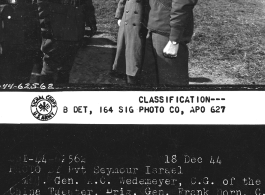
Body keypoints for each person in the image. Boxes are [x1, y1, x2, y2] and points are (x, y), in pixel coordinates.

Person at [37, 0, 97, 84]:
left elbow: (87, 4)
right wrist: (44, 26)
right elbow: (41, 4)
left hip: (76, 28)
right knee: (50, 66)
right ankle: (46, 94)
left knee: (66, 68)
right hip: (55, 28)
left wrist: (91, 22)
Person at [140, 0, 198, 86]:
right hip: (152, 28)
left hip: (167, 33)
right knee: (150, 82)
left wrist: (174, 40)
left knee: (171, 84)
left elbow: (182, 5)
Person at [0, 0, 41, 84]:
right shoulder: (6, 9)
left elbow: (36, 29)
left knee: (22, 75)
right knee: (8, 74)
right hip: (10, 46)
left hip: (25, 47)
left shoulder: (31, 10)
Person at [111, 0, 147, 85]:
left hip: (142, 16)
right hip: (128, 16)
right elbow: (122, 1)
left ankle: (133, 77)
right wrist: (119, 15)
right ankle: (128, 78)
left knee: (136, 51)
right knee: (127, 50)